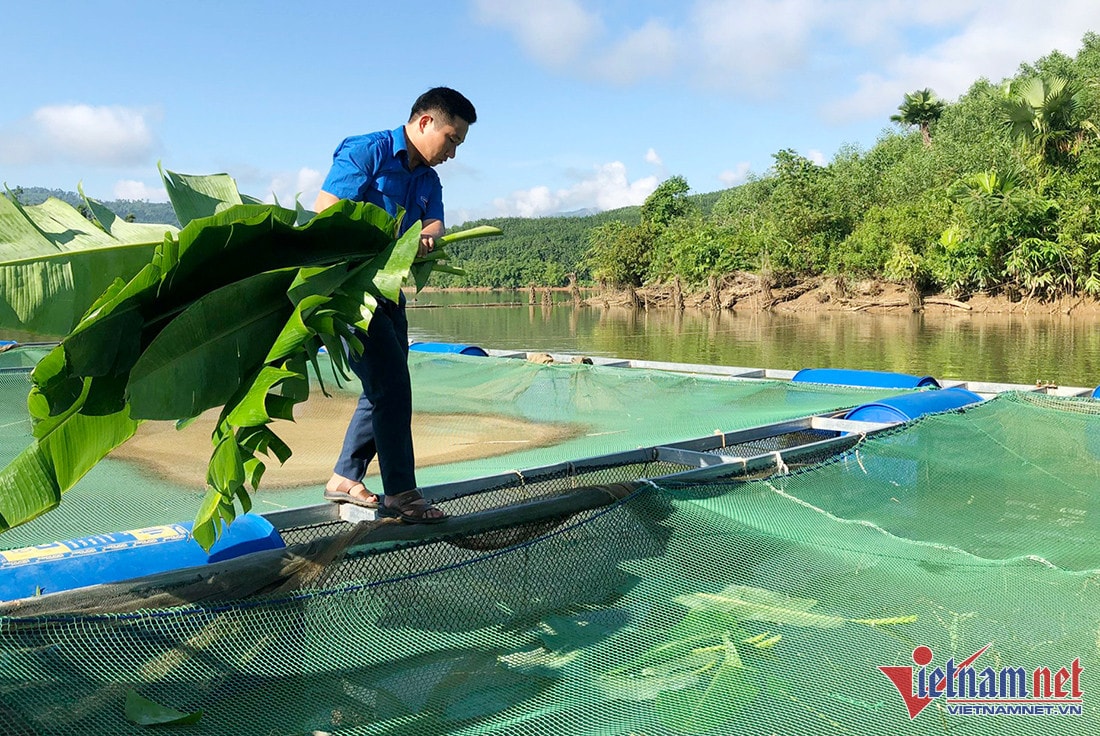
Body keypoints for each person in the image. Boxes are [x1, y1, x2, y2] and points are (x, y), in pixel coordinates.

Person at [315, 87, 476, 524]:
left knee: (383, 385)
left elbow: (435, 221)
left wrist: (431, 234)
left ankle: (344, 478)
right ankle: (402, 493)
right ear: (425, 122)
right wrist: (388, 238)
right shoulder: (367, 151)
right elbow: (326, 212)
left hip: (389, 294)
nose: (452, 153)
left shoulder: (428, 178)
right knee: (392, 386)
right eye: (451, 140)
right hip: (347, 293)